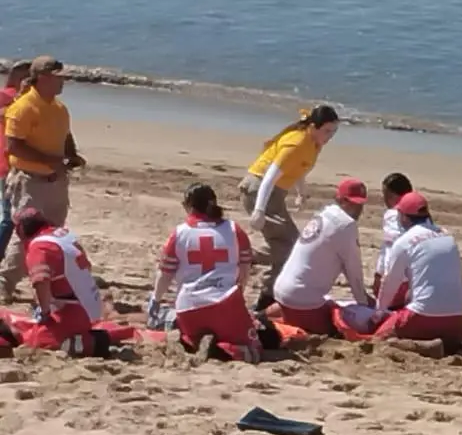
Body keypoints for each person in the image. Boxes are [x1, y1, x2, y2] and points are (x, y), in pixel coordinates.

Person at [239, 105, 340, 311]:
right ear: (313, 126)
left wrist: (301, 193)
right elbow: (269, 176)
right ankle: (264, 293)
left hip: (275, 194)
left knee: (287, 246)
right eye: (327, 131)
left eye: (334, 131)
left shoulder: (313, 143)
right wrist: (259, 210)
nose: (330, 136)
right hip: (258, 190)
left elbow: (299, 169)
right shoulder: (297, 142)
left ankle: (247, 260)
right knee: (291, 247)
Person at [148, 183, 262, 363]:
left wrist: (155, 300)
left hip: (189, 308)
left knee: (188, 330)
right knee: (252, 350)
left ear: (189, 206)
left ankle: (190, 340)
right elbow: (244, 270)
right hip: (224, 305)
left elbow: (165, 274)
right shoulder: (234, 230)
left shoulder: (179, 234)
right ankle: (220, 350)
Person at [1, 56, 83, 303]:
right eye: (59, 77)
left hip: (56, 181)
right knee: (28, 234)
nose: (64, 82)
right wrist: (50, 161)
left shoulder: (59, 108)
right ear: (44, 78)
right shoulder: (24, 107)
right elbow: (14, 146)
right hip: (30, 182)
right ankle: (4, 282)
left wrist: (71, 155)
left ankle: (47, 281)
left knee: (53, 234)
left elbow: (65, 135)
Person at [268, 178, 371, 335]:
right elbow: (354, 273)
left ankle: (264, 317)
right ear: (340, 199)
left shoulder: (324, 213)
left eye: (360, 205)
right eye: (352, 203)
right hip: (302, 299)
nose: (358, 209)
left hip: (282, 289)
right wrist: (365, 305)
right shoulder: (346, 225)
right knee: (335, 329)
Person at [4, 206, 109, 356]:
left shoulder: (40, 247)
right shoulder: (62, 235)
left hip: (74, 311)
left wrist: (45, 311)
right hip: (89, 302)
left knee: (37, 340)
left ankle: (89, 342)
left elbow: (41, 281)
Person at [372, 191, 462, 345]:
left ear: (403, 217)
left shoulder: (404, 242)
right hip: (456, 318)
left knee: (380, 338)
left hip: (423, 315)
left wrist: (378, 314)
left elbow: (389, 283)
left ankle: (423, 347)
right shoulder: (448, 237)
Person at [0, 59, 32, 262]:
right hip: (9, 165)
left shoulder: (11, 98)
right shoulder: (14, 101)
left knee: (11, 215)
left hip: (8, 164)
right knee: (10, 216)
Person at [372, 172, 413, 302]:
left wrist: (379, 275)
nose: (384, 200)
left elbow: (391, 249)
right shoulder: (420, 216)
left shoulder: (392, 215)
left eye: (387, 195)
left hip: (397, 285)